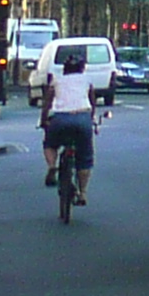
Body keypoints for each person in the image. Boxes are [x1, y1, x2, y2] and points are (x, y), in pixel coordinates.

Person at [42, 50, 97, 202]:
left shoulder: (57, 80)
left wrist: (43, 120)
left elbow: (47, 103)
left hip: (60, 118)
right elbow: (92, 102)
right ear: (82, 68)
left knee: (50, 143)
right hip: (82, 118)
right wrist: (90, 118)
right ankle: (83, 193)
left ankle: (52, 166)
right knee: (85, 156)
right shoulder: (87, 80)